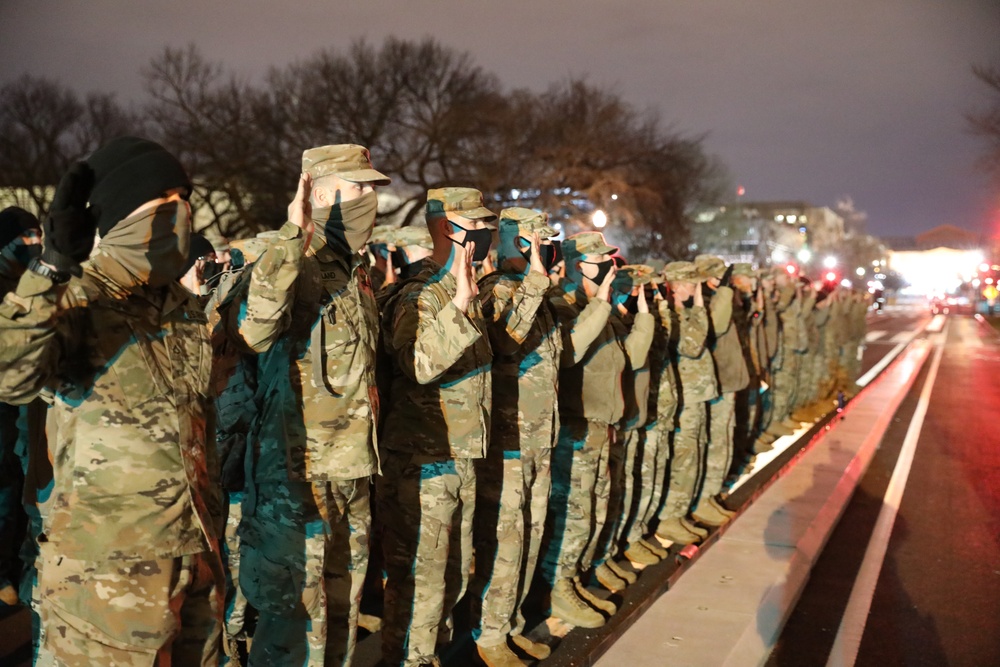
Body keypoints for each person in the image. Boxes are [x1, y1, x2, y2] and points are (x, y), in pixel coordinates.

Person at [0, 136, 224, 664]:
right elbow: (11, 376)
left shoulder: (182, 308)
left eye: (185, 197)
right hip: (105, 587)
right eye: (165, 201)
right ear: (123, 214)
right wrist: (50, 271)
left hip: (195, 563)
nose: (183, 212)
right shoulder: (78, 296)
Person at [222, 144, 389, 666]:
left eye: (371, 190)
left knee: (341, 610)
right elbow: (254, 328)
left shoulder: (352, 270)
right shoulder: (282, 258)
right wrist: (293, 235)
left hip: (352, 467)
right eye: (356, 188)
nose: (369, 200)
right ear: (317, 194)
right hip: (297, 478)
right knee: (295, 619)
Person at [379, 187, 496, 667]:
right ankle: (406, 658)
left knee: (451, 577)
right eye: (478, 226)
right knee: (419, 579)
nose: (487, 235)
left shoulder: (459, 290)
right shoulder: (417, 294)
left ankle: (428, 655)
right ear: (449, 228)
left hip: (460, 452)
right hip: (422, 459)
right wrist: (460, 305)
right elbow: (418, 363)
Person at [469, 207, 561, 666]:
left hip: (538, 437)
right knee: (503, 540)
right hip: (508, 442)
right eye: (538, 242)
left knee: (529, 533)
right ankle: (487, 634)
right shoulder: (495, 291)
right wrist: (537, 282)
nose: (547, 250)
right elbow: (504, 340)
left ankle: (509, 624)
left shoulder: (538, 294)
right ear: (519, 243)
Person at [540, 231, 623, 629]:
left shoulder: (594, 303)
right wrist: (602, 303)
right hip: (576, 424)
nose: (608, 266)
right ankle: (557, 587)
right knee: (572, 512)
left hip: (598, 421)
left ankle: (571, 578)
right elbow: (568, 354)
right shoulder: (562, 302)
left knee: (590, 509)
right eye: (599, 260)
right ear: (577, 265)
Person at [655, 261, 715, 545]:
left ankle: (681, 512)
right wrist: (701, 305)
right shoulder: (672, 314)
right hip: (685, 396)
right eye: (692, 283)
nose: (695, 288)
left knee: (696, 451)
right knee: (684, 457)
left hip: (696, 393)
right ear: (676, 285)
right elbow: (692, 347)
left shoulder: (686, 312)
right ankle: (670, 516)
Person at [690, 255, 747, 527]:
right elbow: (717, 325)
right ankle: (703, 499)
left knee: (723, 439)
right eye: (720, 276)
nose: (726, 281)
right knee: (714, 442)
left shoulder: (719, 296)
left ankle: (711, 494)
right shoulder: (704, 298)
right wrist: (723, 291)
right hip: (717, 381)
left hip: (726, 379)